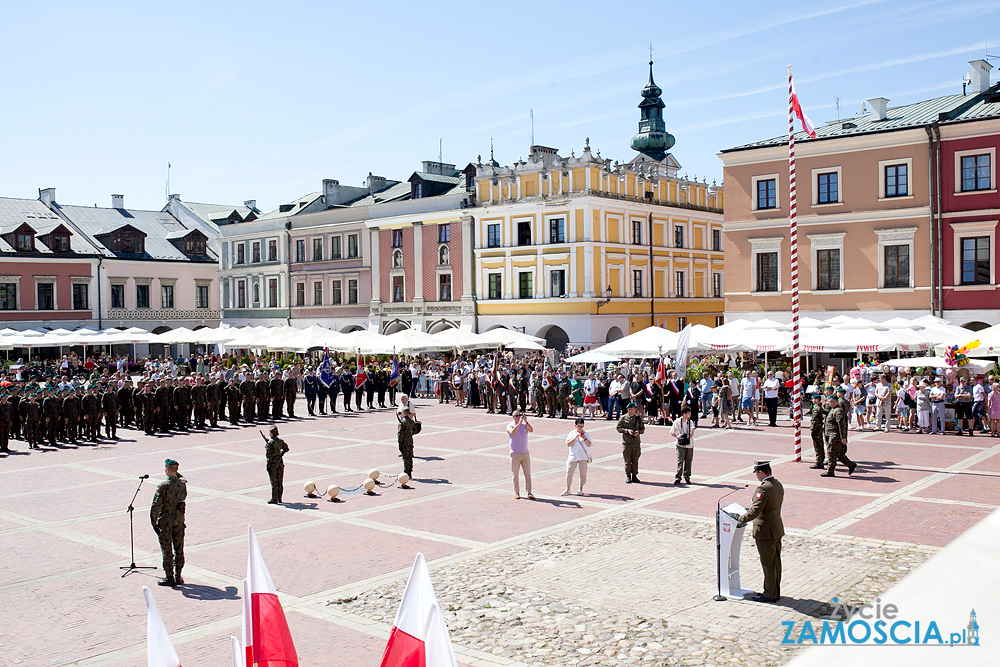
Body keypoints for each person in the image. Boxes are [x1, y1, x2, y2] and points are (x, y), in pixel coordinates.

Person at [737, 461, 784, 603]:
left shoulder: (763, 489)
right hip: (776, 528)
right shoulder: (777, 484)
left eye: (757, 473)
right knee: (776, 562)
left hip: (765, 531)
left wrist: (739, 519)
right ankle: (774, 590)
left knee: (768, 563)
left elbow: (755, 511)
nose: (756, 476)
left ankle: (770, 594)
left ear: (761, 472)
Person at [150, 458, 187, 587]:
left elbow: (156, 505)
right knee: (179, 548)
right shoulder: (182, 483)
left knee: (167, 549)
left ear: (166, 469)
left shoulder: (163, 485)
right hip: (179, 518)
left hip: (166, 519)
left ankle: (169, 576)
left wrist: (153, 520)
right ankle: (178, 575)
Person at [822, 395, 856, 477]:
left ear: (834, 402)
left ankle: (830, 471)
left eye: (829, 402)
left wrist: (843, 437)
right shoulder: (832, 410)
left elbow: (842, 425)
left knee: (831, 453)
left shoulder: (838, 411)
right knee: (839, 454)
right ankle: (851, 464)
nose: (828, 403)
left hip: (835, 435)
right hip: (830, 434)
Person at [506, 410, 534, 499]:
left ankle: (529, 492)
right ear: (513, 417)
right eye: (516, 415)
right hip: (515, 453)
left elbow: (531, 430)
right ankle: (517, 492)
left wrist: (526, 422)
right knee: (515, 474)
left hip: (525, 453)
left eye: (519, 415)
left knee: (527, 474)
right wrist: (519, 424)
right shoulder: (510, 425)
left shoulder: (524, 426)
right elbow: (512, 432)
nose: (518, 417)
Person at [563, 417, 592, 496]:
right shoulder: (572, 433)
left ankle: (581, 488)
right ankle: (568, 489)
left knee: (583, 473)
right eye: (579, 426)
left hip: (583, 456)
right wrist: (575, 437)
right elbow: (568, 444)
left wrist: (584, 438)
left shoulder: (586, 434)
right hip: (573, 456)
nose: (580, 428)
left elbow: (589, 444)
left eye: (582, 426)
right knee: (569, 472)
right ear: (575, 426)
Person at [617, 402, 645, 484]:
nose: (630, 411)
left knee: (635, 460)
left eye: (632, 409)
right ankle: (628, 475)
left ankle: (634, 475)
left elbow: (642, 429)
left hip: (636, 443)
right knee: (627, 460)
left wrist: (638, 432)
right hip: (627, 442)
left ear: (635, 409)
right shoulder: (623, 418)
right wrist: (627, 431)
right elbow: (618, 428)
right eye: (629, 409)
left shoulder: (638, 419)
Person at [670, 405, 696, 485]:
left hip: (689, 444)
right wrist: (678, 436)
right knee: (680, 460)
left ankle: (687, 477)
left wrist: (692, 430)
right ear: (684, 414)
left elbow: (691, 436)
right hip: (680, 444)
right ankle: (678, 477)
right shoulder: (677, 422)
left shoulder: (690, 422)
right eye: (688, 413)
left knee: (688, 461)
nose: (690, 415)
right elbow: (671, 432)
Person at [265, 425, 288, 504]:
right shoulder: (280, 441)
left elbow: (268, 456)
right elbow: (286, 449)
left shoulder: (270, 443)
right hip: (280, 462)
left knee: (273, 482)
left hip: (273, 464)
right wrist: (280, 455)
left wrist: (268, 465)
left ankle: (274, 499)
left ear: (271, 433)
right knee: (280, 481)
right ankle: (279, 498)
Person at [397, 405, 416, 483]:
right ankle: (410, 471)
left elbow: (400, 434)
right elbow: (415, 429)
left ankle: (406, 472)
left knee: (405, 457)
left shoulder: (402, 422)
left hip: (404, 440)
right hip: (410, 439)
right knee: (410, 456)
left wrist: (400, 443)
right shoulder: (411, 421)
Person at [809, 394, 826, 469]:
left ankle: (819, 462)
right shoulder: (819, 408)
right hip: (819, 429)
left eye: (813, 399)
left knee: (817, 446)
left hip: (817, 429)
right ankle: (820, 460)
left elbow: (815, 421)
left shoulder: (816, 408)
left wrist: (813, 429)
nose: (812, 400)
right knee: (820, 445)